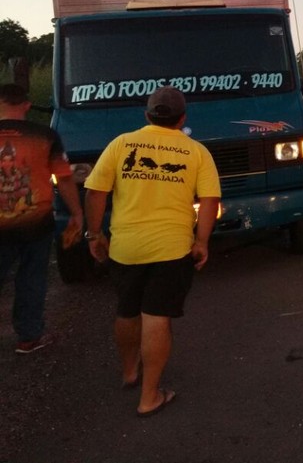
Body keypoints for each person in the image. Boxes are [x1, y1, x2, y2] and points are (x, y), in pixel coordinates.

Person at [84, 86, 220, 417]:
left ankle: (130, 371)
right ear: (183, 118)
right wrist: (201, 242)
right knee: (156, 317)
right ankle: (150, 397)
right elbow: (209, 202)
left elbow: (95, 191)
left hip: (125, 247)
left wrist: (94, 234)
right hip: (171, 249)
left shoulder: (121, 144)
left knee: (127, 310)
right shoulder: (196, 151)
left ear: (146, 115)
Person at [0, 83, 84, 354]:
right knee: (31, 279)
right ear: (26, 104)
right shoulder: (45, 135)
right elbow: (64, 177)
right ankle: (28, 337)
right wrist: (77, 212)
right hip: (36, 224)